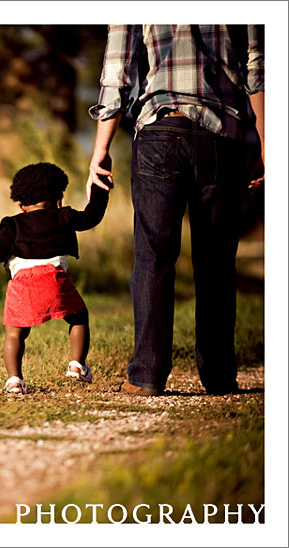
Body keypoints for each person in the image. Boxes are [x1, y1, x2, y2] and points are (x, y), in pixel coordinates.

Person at [86, 25, 265, 396]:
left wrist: (99, 150)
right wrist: (268, 143)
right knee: (216, 261)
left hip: (160, 131)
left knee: (153, 257)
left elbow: (116, 73)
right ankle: (219, 376)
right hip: (223, 135)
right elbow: (256, 68)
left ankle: (147, 376)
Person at [0, 163, 110, 395]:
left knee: (15, 334)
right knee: (79, 317)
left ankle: (14, 380)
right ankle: (77, 364)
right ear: (59, 199)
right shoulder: (64, 215)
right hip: (56, 282)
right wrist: (101, 188)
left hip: (22, 286)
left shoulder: (12, 224)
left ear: (20, 205)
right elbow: (92, 216)